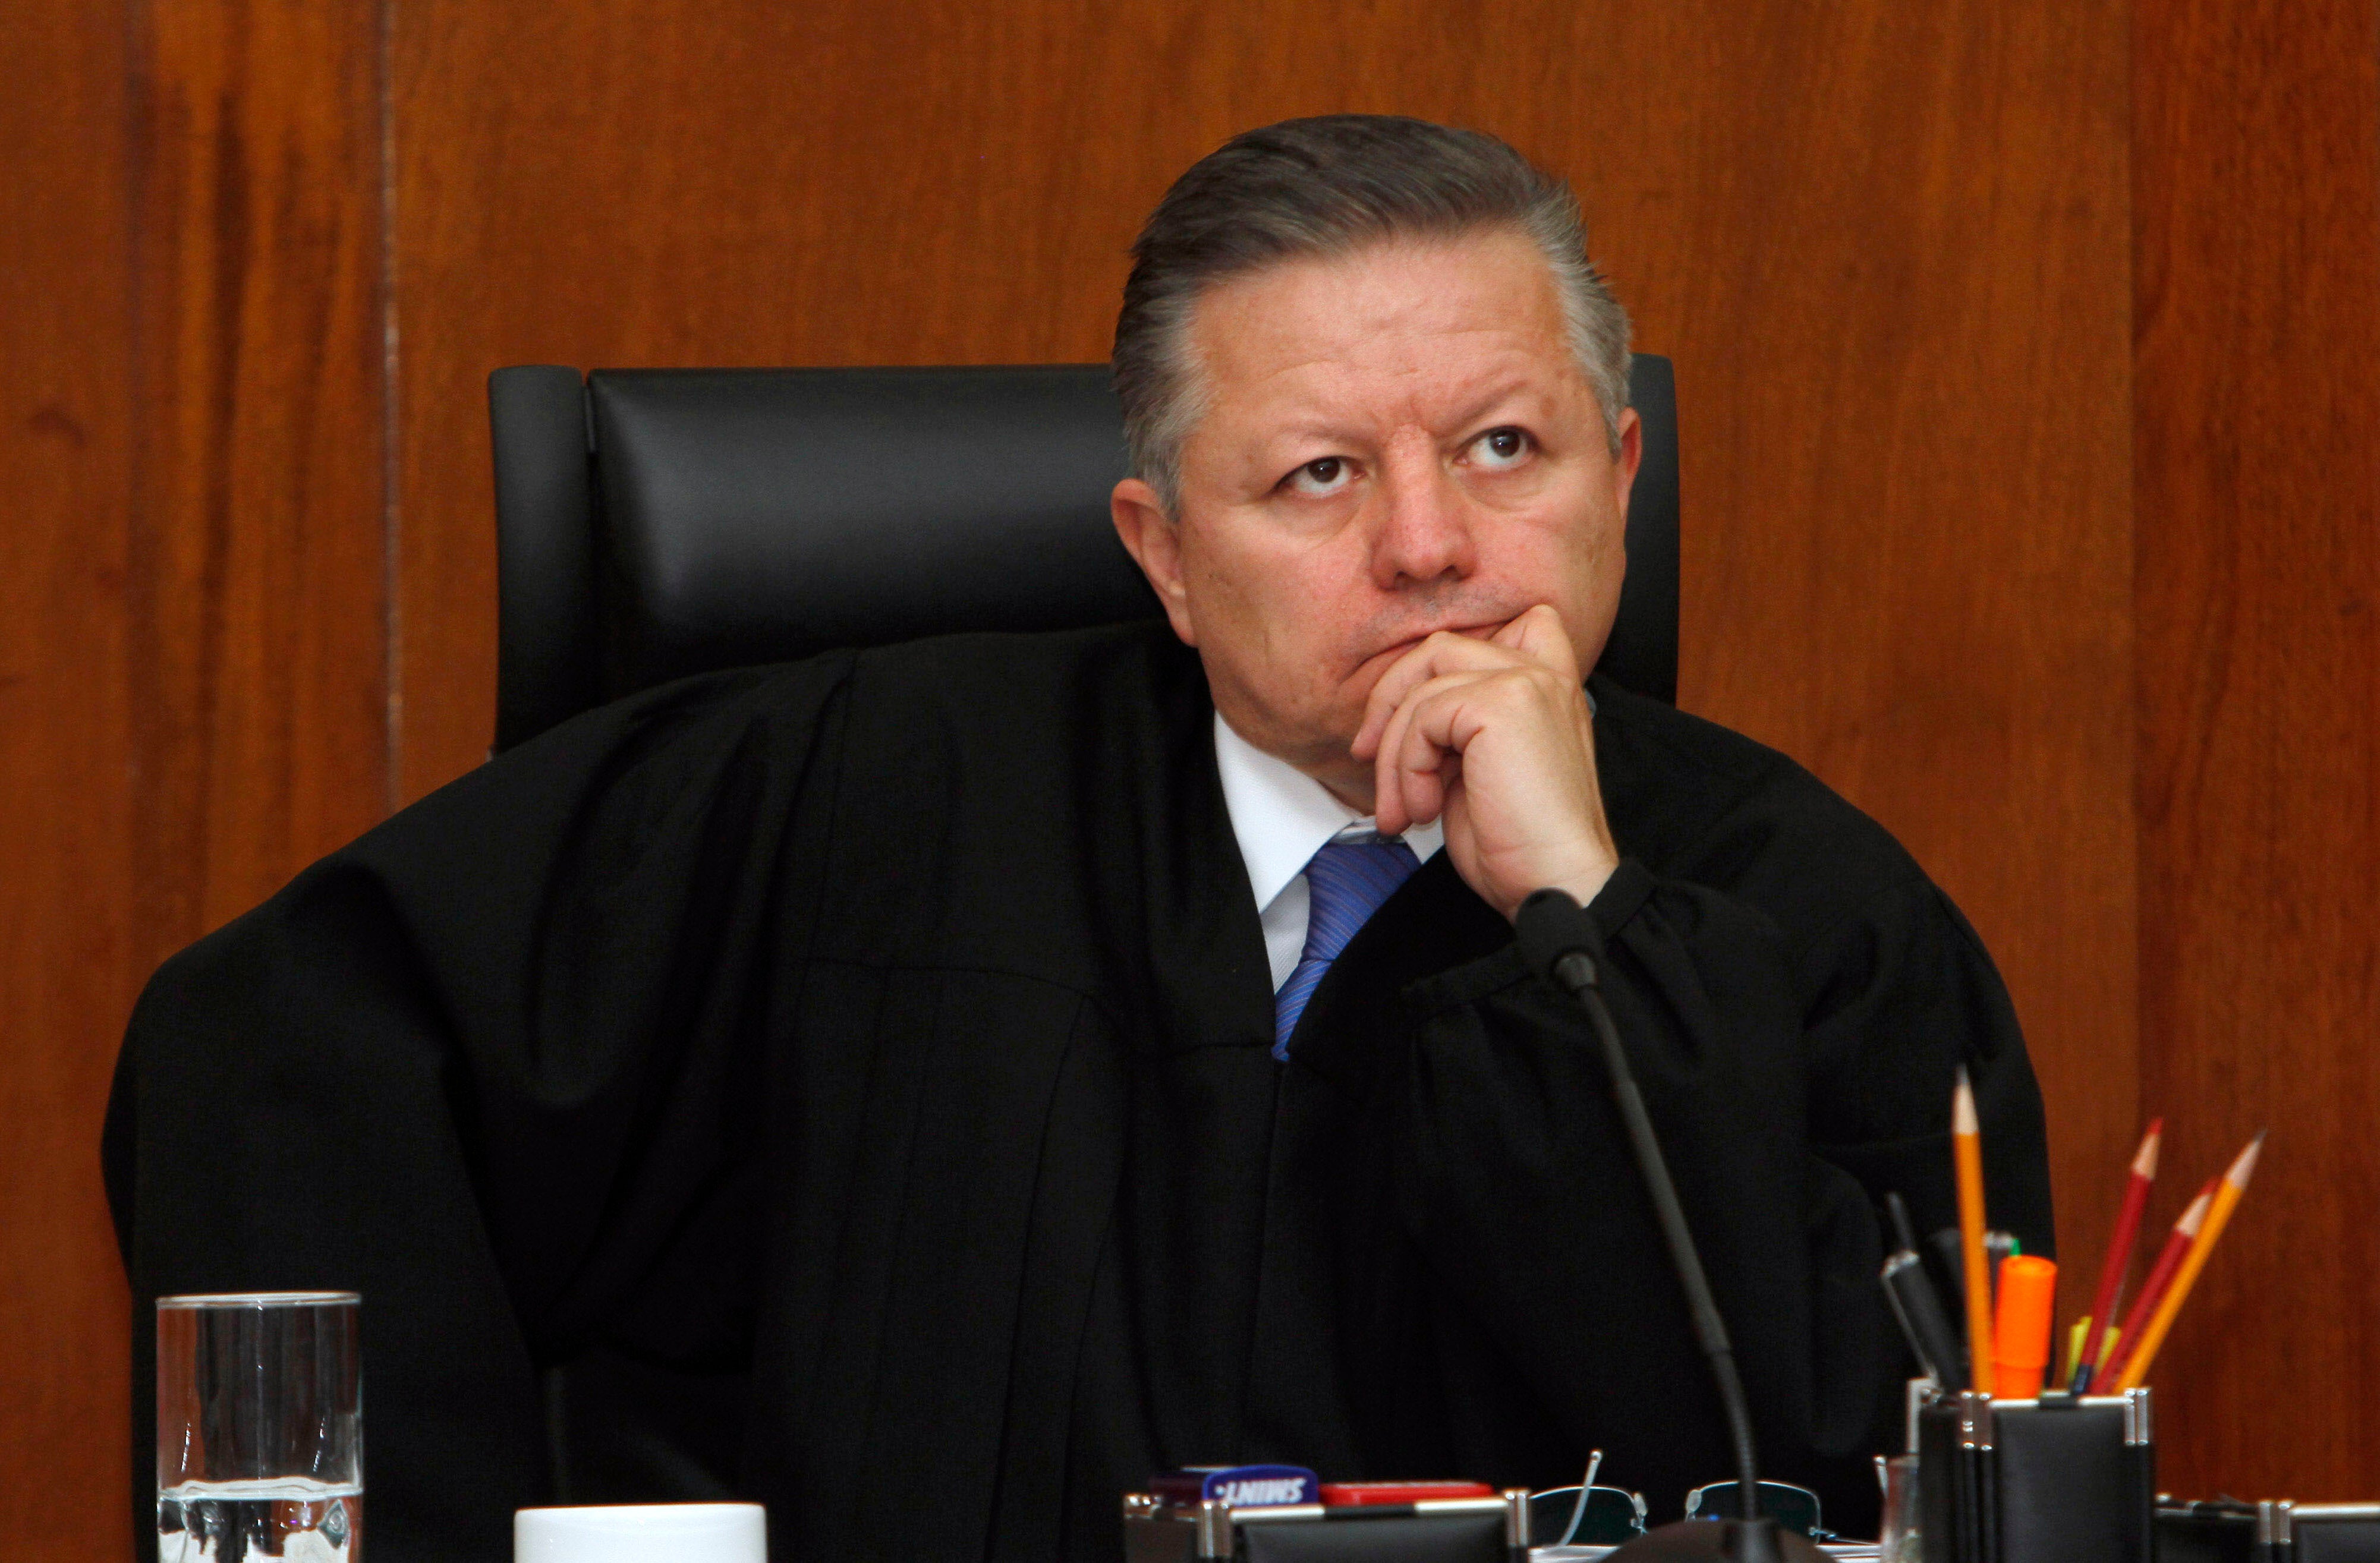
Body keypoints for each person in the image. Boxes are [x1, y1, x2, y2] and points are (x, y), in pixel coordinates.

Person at [106, 116, 2050, 1562]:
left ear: (1621, 478)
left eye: (1502, 449)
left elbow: (1868, 1460)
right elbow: (283, 1056)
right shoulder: (856, 801)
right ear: (1164, 555)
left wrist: (1582, 914)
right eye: (1316, 475)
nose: (1431, 545)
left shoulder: (1807, 912)